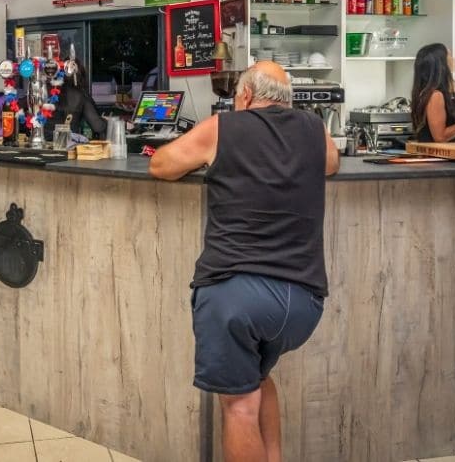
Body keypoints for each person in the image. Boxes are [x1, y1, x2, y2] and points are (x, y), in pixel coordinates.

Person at [149, 61, 339, 462]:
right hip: (303, 304)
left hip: (235, 298)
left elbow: (161, 164)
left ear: (247, 96)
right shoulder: (314, 128)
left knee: (239, 407)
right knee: (258, 380)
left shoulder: (223, 128)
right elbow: (331, 163)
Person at [411, 43, 455, 143]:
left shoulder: (441, 93)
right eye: (449, 55)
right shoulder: (435, 96)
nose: (453, 58)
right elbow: (440, 137)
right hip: (445, 153)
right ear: (441, 64)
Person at [45, 62, 107, 140]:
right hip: (68, 144)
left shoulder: (45, 91)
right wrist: (106, 121)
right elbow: (98, 126)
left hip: (42, 143)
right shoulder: (80, 95)